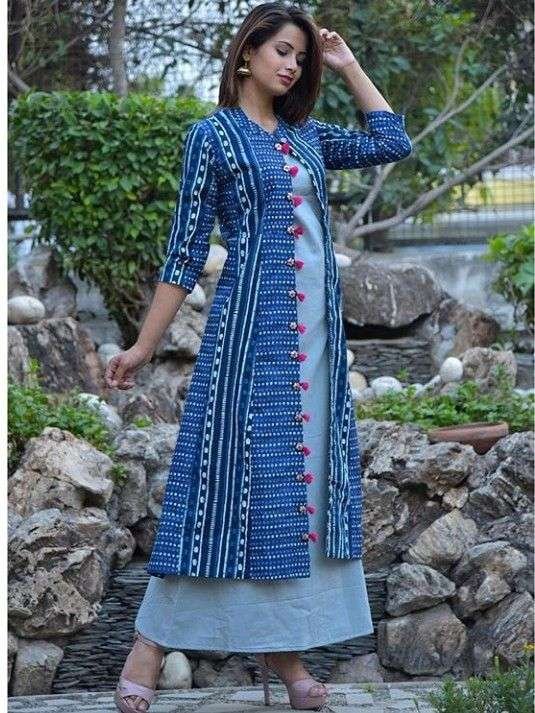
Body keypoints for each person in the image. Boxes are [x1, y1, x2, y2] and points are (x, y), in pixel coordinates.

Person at [106, 3, 412, 712]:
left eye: (301, 57)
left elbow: (391, 141)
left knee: (295, 497)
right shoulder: (211, 136)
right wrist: (145, 345)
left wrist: (346, 64)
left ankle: (287, 655)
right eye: (282, 51)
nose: (293, 65)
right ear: (246, 54)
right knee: (218, 486)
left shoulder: (307, 136)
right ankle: (148, 645)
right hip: (250, 338)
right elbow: (184, 252)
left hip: (316, 346)